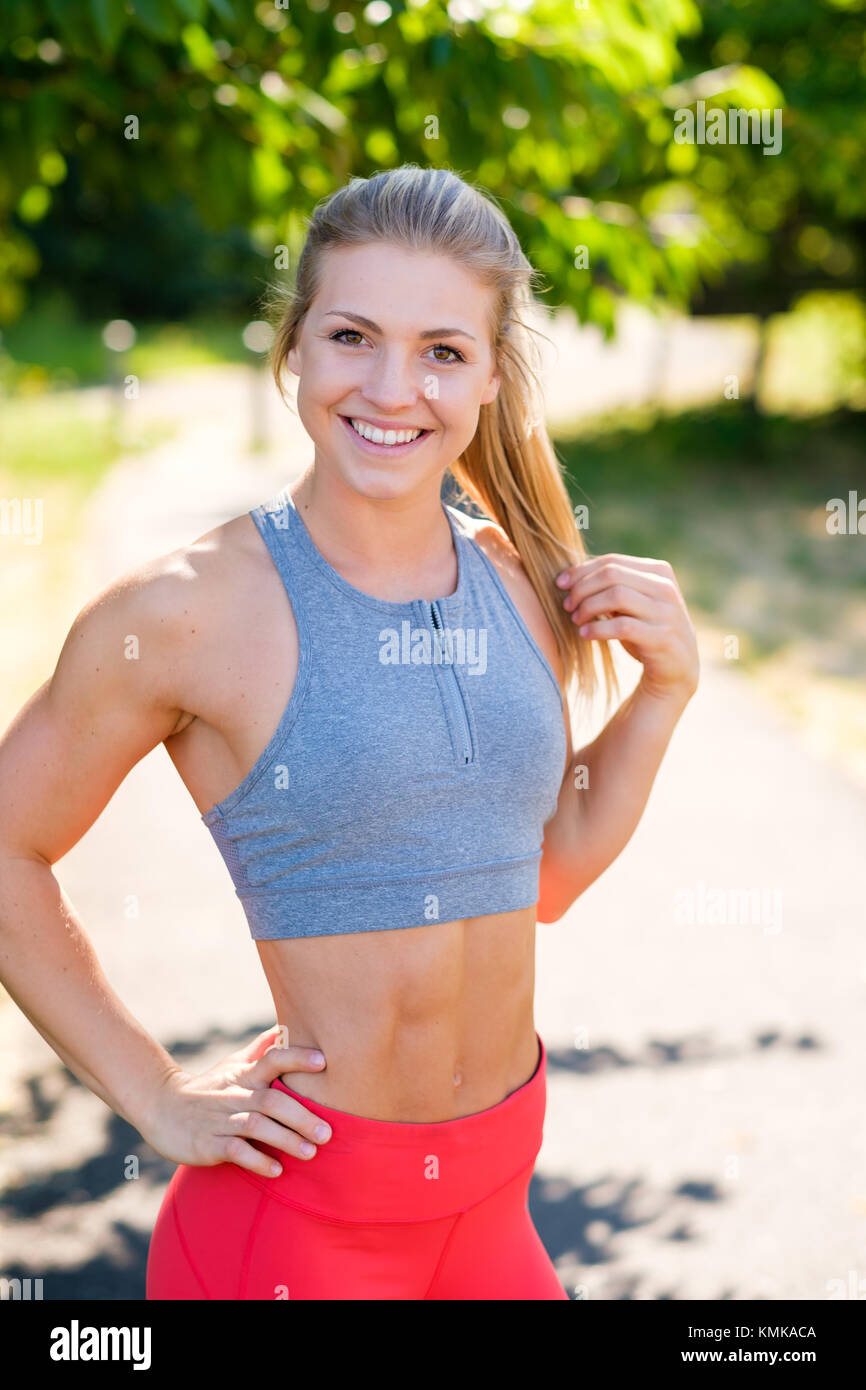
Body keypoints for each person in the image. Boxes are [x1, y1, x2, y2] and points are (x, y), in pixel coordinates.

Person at [0, 165, 699, 1300]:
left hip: (490, 1212)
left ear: (485, 376)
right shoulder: (184, 611)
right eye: (350, 335)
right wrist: (156, 1094)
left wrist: (659, 695)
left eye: (440, 350)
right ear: (291, 350)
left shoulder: (518, 584)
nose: (391, 386)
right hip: (297, 1231)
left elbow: (547, 872)